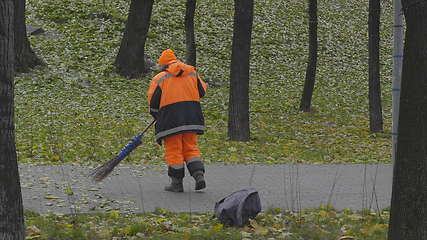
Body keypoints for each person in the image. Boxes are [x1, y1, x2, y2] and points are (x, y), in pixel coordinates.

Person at [147, 49, 207, 192]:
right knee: (190, 148)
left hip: (171, 120)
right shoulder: (192, 73)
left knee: (174, 150)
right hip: (192, 117)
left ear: (163, 65)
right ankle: (199, 175)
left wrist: (157, 116)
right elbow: (202, 92)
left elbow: (154, 104)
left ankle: (176, 183)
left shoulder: (160, 78)